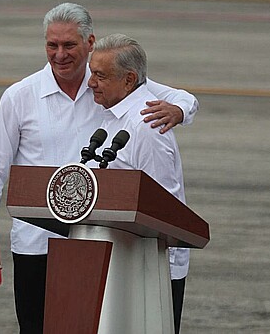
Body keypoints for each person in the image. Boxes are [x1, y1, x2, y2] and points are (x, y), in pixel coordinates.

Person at [0, 3, 198, 334]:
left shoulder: (109, 82)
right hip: (37, 243)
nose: (60, 54)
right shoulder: (21, 96)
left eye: (69, 45)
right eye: (52, 45)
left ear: (90, 43)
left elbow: (182, 98)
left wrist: (177, 111)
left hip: (99, 243)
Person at [87, 33, 190, 333]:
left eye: (100, 75)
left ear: (129, 80)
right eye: (92, 73)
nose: (91, 82)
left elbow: (164, 209)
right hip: (118, 261)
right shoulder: (113, 115)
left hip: (149, 270)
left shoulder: (146, 126)